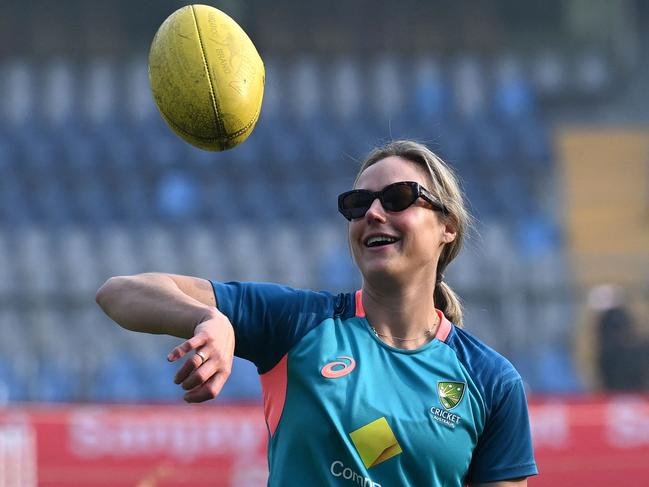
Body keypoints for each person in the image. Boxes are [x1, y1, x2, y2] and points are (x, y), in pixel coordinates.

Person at [96, 140, 538, 486]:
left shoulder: (492, 382)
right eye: (358, 204)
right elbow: (118, 293)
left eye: (398, 197)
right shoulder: (297, 324)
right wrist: (207, 318)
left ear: (447, 227)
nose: (374, 213)